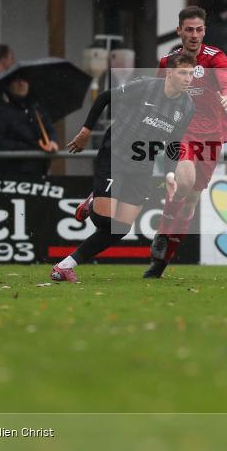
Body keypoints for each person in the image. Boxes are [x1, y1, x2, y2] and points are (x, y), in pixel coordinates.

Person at [75, 6, 227, 278]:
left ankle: (160, 261)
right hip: (182, 130)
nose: (194, 35)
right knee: (182, 181)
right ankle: (153, 229)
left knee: (191, 198)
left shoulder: (215, 57)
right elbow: (158, 97)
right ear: (179, 31)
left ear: (204, 31)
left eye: (199, 29)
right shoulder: (168, 62)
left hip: (212, 136)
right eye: (189, 30)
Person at [51, 52, 196, 282]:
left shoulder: (187, 106)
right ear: (169, 73)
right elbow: (104, 98)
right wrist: (86, 131)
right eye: (182, 72)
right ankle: (92, 203)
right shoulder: (145, 87)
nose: (188, 78)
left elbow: (174, 143)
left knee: (120, 229)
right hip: (115, 155)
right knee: (104, 221)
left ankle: (64, 266)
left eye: (191, 73)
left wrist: (170, 173)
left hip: (142, 165)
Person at [0, 77, 59, 178]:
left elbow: (50, 130)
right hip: (10, 172)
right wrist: (28, 149)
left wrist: (52, 141)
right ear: (9, 85)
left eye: (25, 80)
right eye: (17, 81)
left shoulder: (36, 108)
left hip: (39, 169)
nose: (21, 84)